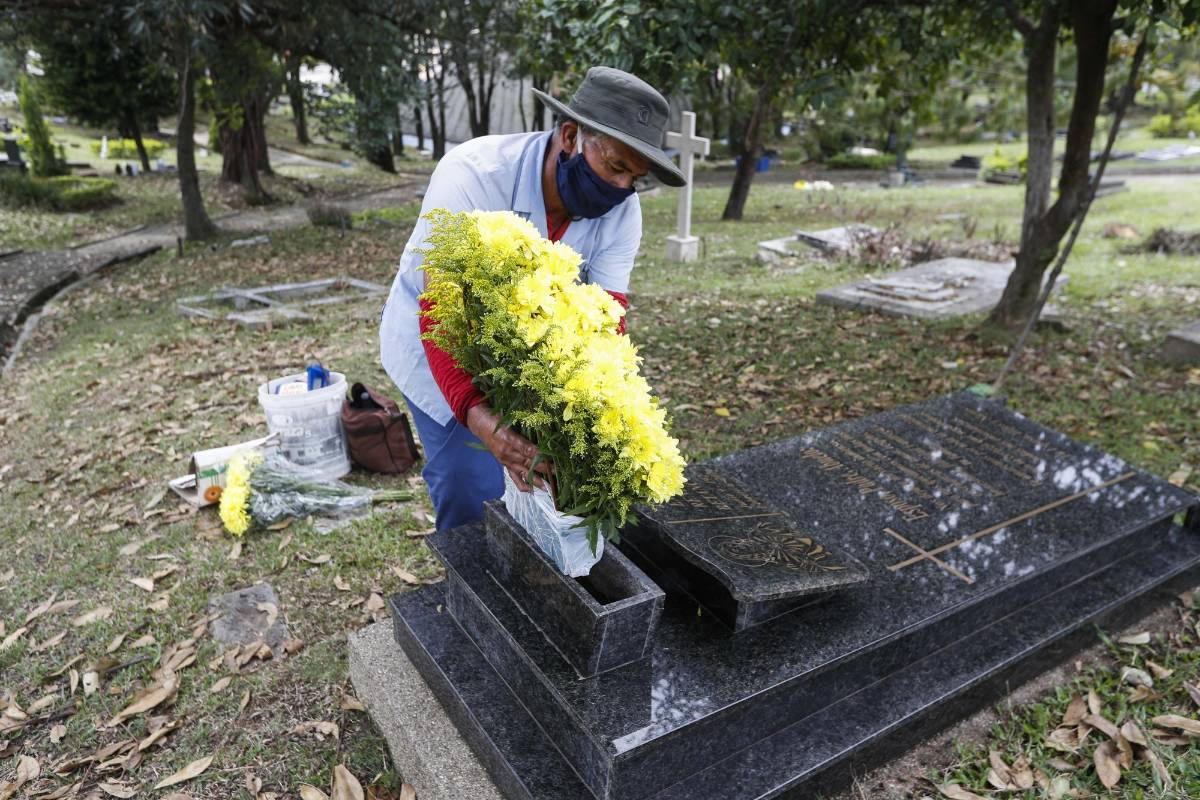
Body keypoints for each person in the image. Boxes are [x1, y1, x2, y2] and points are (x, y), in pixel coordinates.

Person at [379, 66, 685, 531]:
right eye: (616, 167)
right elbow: (440, 310)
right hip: (438, 345)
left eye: (635, 178)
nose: (621, 189)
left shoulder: (623, 213)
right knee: (469, 488)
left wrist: (598, 419)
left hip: (531, 357)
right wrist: (485, 424)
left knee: (549, 479)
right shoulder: (474, 175)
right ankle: (469, 583)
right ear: (570, 137)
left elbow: (607, 323)